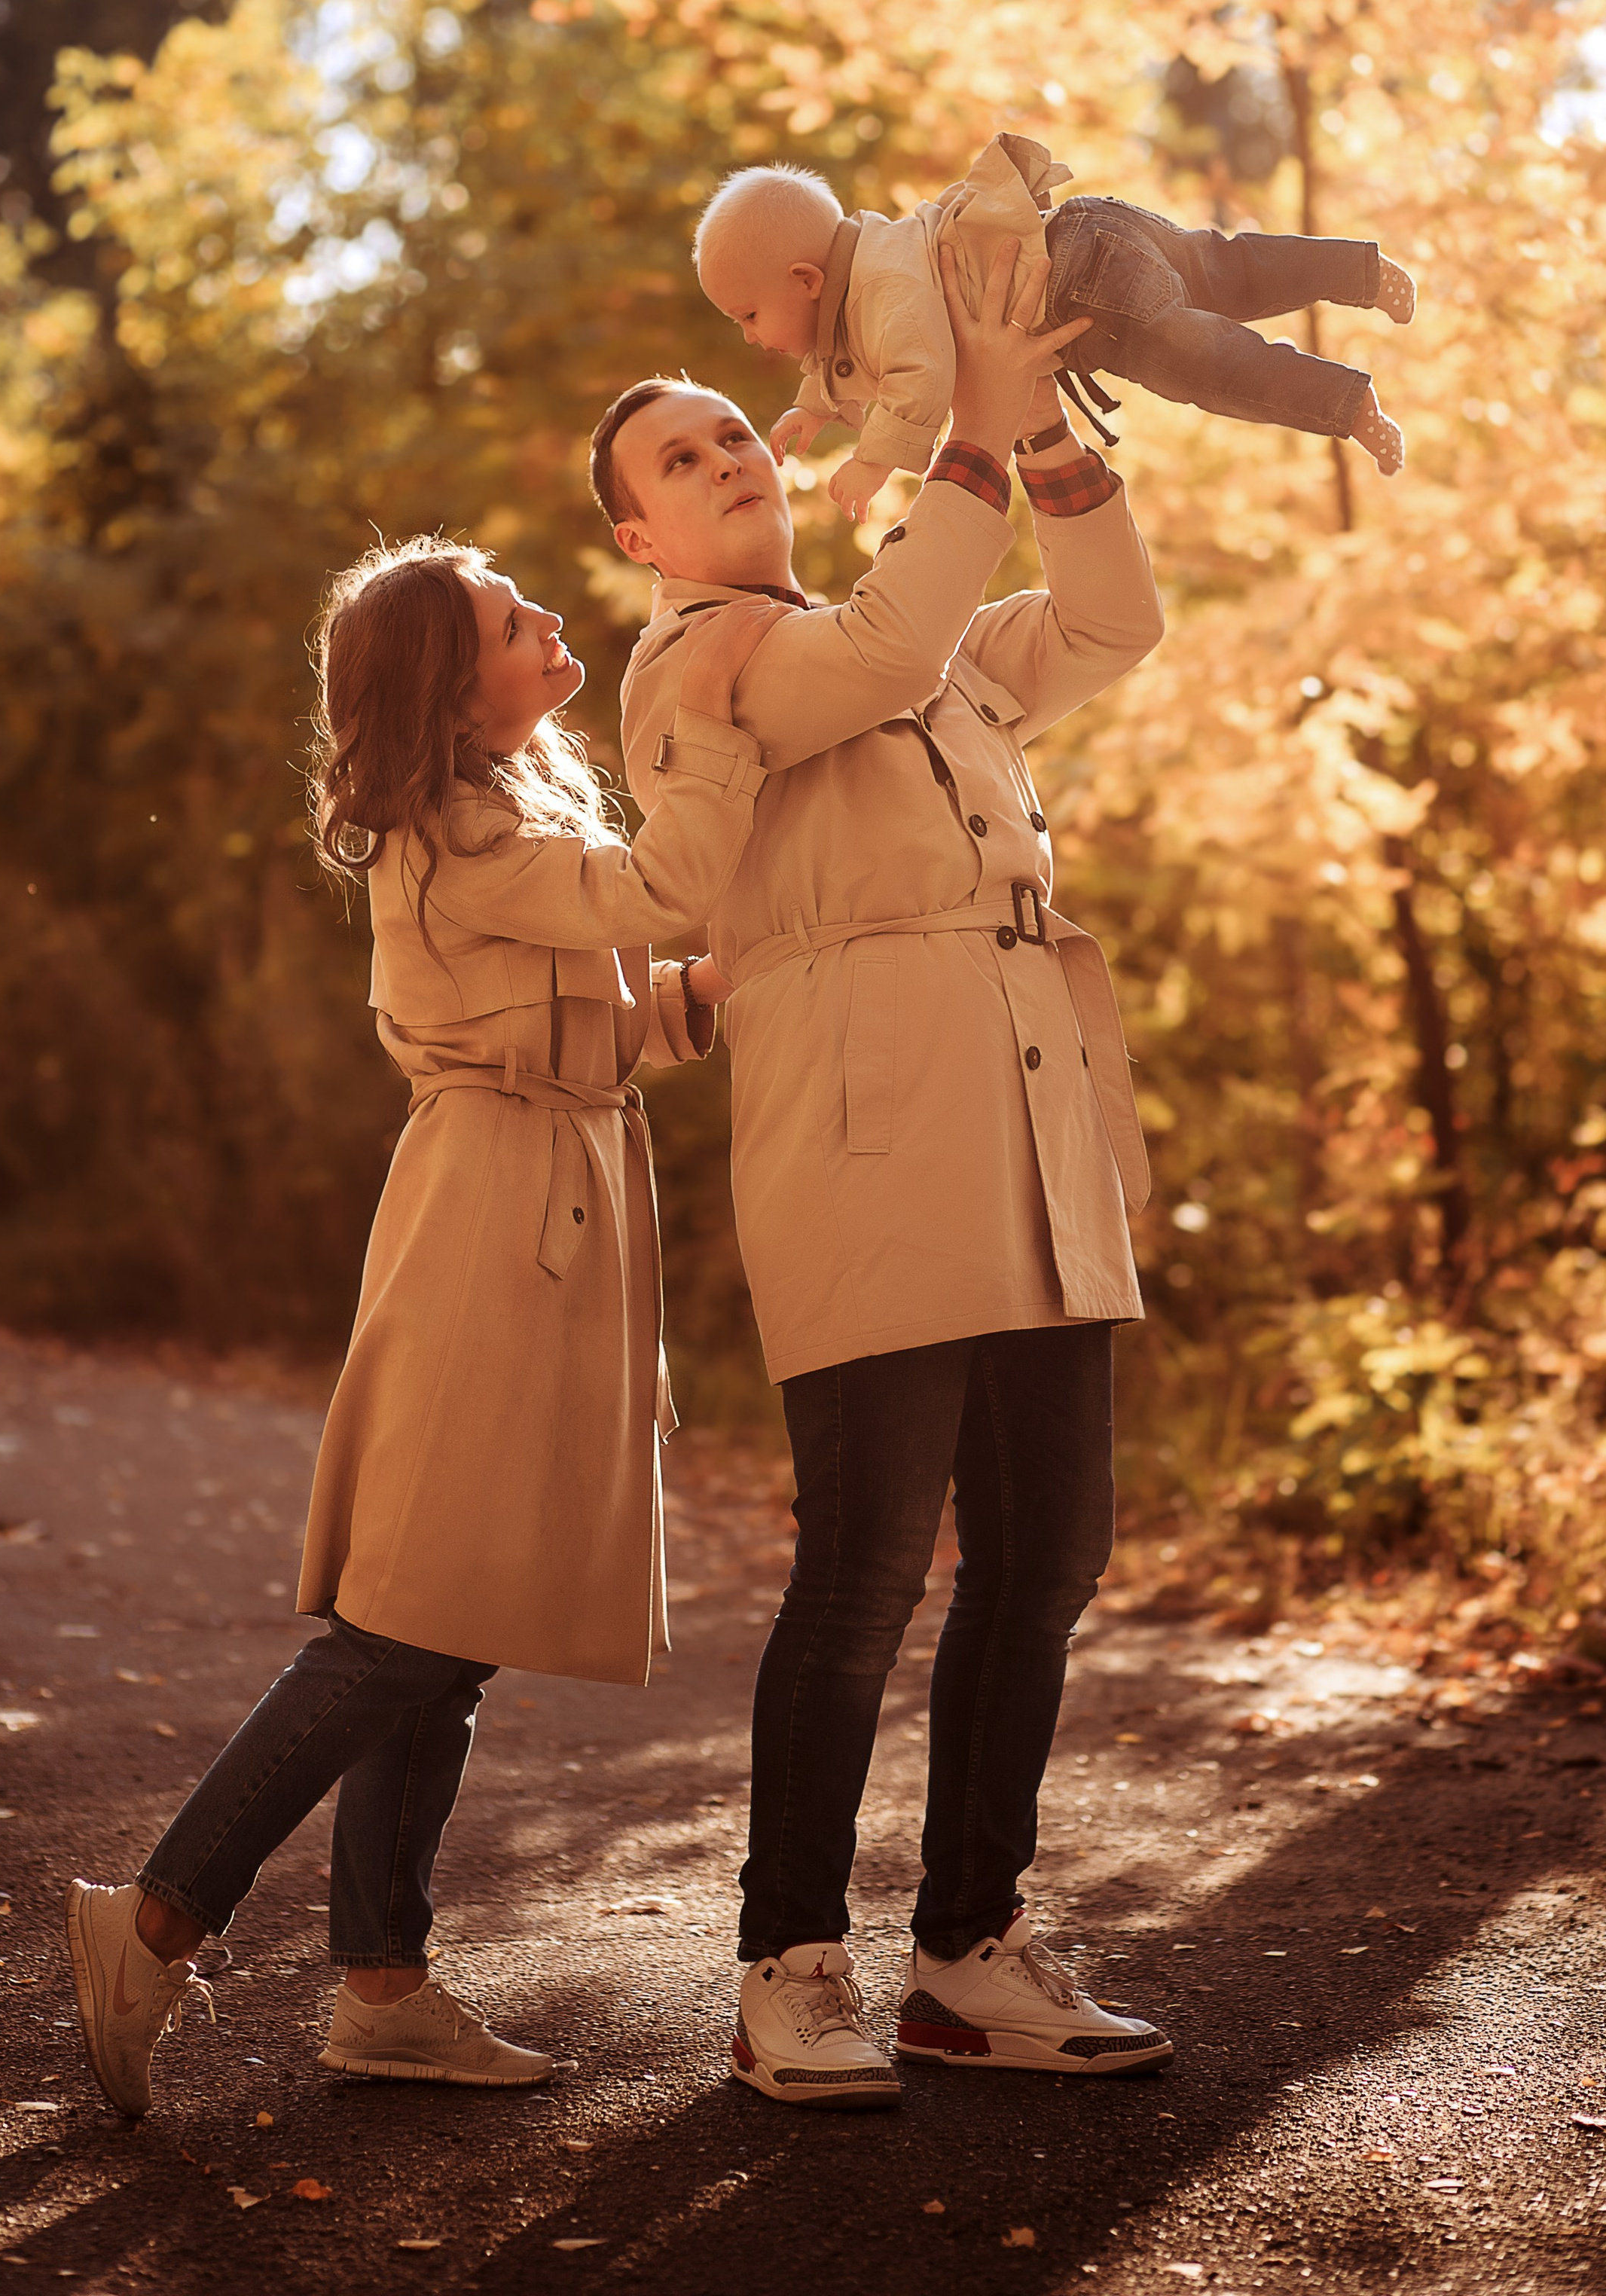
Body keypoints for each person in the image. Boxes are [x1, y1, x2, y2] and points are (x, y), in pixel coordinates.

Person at [64, 536, 786, 2116]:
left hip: (550, 1192)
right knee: (406, 1618)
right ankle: (161, 1914)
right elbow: (667, 886)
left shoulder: (513, 811)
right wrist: (719, 716)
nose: (546, 625)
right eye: (508, 623)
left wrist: (707, 995)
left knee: (442, 1629)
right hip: (492, 1221)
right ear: (448, 694)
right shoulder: (455, 828)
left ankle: (383, 1989)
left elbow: (606, 1020)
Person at [591, 237, 1174, 2107]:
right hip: (863, 1138)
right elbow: (894, 636)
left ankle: (967, 1949)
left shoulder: (902, 648)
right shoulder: (703, 659)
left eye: (722, 433)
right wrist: (967, 451)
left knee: (1047, 1550)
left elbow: (1100, 628)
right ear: (638, 544)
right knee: (862, 1571)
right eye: (673, 461)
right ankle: (788, 1963)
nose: (720, 458)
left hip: (1027, 1120)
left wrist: (1050, 441)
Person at [693, 135, 1413, 520]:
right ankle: (1361, 273)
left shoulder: (880, 290)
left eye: (748, 317)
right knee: (1225, 268)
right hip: (1085, 230)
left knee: (1205, 364)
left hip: (1079, 293)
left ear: (806, 281)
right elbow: (851, 355)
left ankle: (1344, 404)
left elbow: (922, 372)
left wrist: (874, 459)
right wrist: (811, 408)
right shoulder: (874, 269)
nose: (751, 337)